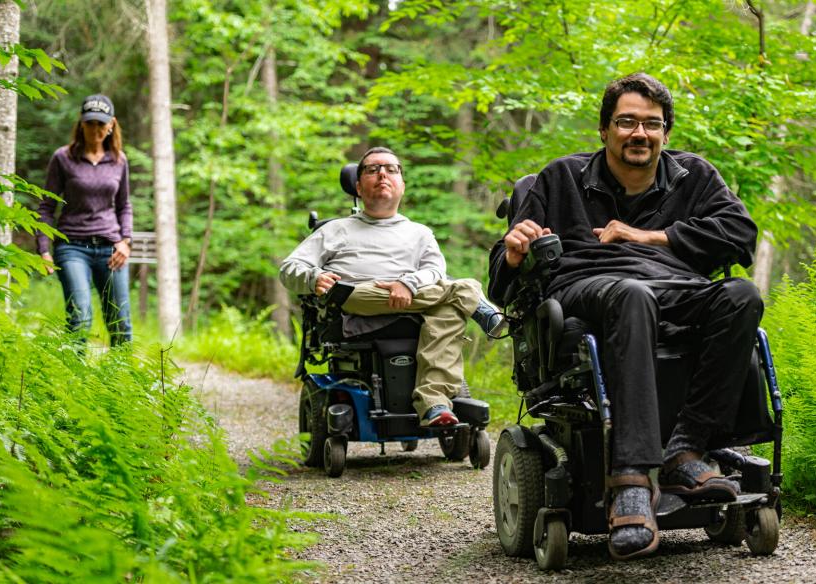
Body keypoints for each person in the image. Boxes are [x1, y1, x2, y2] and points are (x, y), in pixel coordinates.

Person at [489, 73, 762, 560]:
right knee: (633, 294)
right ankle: (631, 481)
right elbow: (499, 283)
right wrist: (512, 254)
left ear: (666, 133)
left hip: (677, 286)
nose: (640, 133)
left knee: (742, 295)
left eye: (652, 124)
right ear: (605, 129)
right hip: (588, 285)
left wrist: (651, 236)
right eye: (627, 122)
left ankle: (686, 449)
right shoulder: (557, 178)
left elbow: (742, 236)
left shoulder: (694, 176)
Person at [280, 147, 500, 427]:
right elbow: (289, 269)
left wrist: (406, 285)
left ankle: (434, 404)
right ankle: (482, 308)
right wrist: (313, 278)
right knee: (460, 290)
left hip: (414, 303)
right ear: (358, 187)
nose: (382, 173)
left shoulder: (420, 233)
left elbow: (434, 271)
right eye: (372, 169)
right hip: (357, 298)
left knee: (449, 312)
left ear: (402, 185)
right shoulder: (333, 230)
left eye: (391, 169)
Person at [37, 94, 133, 346]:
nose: (96, 130)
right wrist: (43, 250)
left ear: (111, 124)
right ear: (81, 123)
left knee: (120, 322)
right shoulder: (63, 158)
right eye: (90, 123)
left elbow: (124, 205)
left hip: (110, 248)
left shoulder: (119, 160)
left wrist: (125, 241)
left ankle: (121, 382)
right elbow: (47, 206)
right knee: (80, 316)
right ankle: (74, 380)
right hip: (72, 247)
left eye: (101, 124)